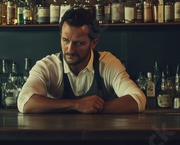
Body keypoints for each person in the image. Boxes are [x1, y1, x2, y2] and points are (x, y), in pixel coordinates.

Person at [17, 8, 146, 114]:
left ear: (93, 43)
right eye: (65, 40)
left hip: (100, 138)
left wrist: (94, 107)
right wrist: (77, 105)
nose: (70, 49)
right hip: (58, 139)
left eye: (78, 43)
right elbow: (25, 102)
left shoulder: (107, 63)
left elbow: (137, 99)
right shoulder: (48, 66)